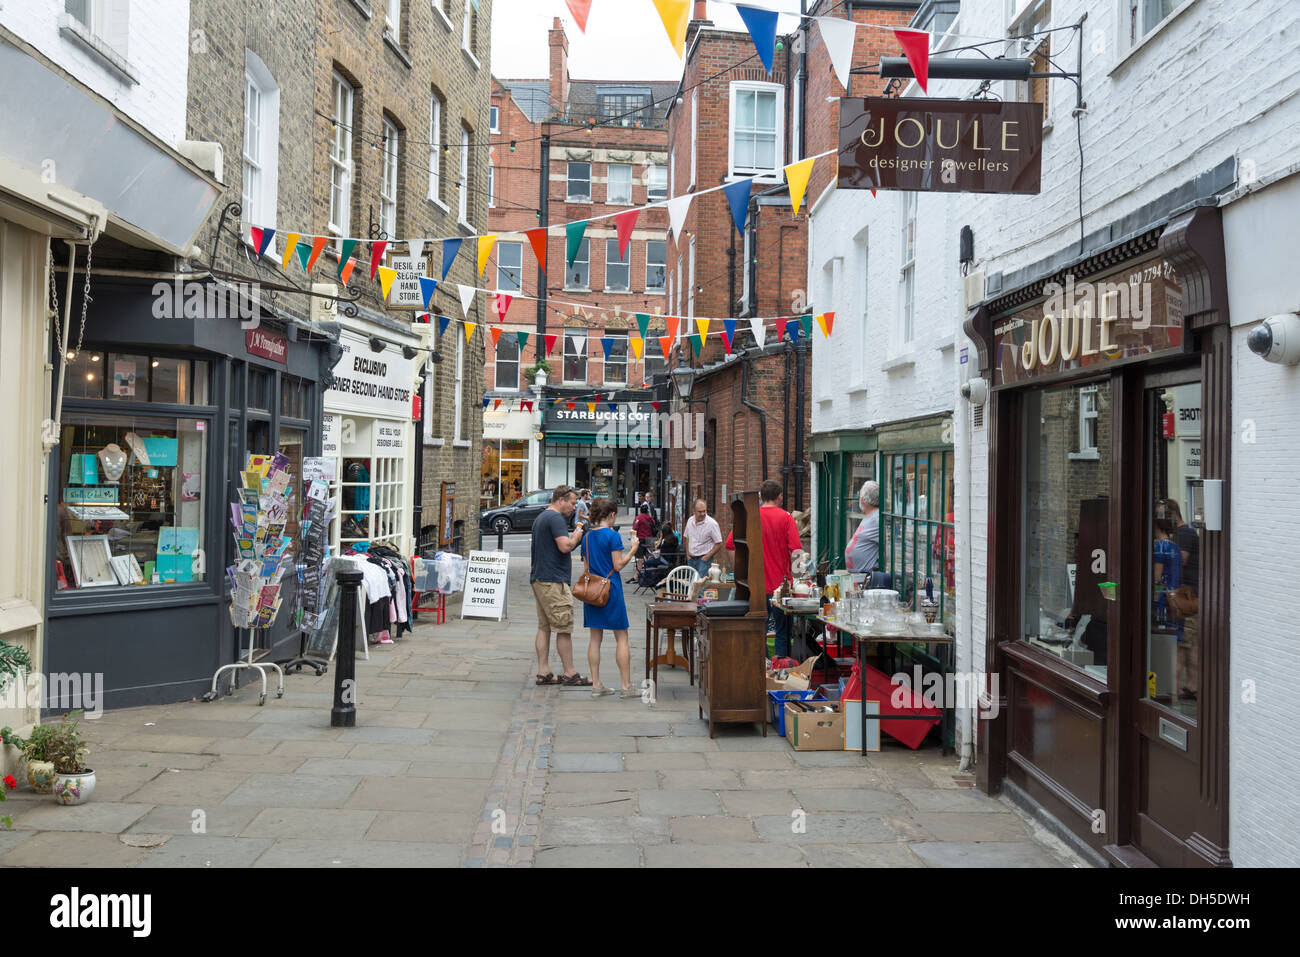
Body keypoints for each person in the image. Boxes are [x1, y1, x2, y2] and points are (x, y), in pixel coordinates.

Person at [725, 480, 803, 657]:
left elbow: (730, 545)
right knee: (783, 632)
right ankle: (779, 667)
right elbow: (797, 550)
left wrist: (740, 570)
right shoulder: (786, 518)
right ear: (779, 497)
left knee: (759, 630)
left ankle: (762, 668)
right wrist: (798, 580)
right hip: (781, 587)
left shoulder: (749, 517)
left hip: (755, 585)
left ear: (761, 497)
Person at [530, 485, 591, 687]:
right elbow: (565, 546)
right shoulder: (556, 518)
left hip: (540, 578)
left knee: (544, 626)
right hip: (553, 580)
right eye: (572, 503)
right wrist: (577, 536)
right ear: (561, 500)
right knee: (563, 627)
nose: (574, 507)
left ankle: (544, 672)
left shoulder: (542, 517)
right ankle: (570, 673)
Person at [579, 498, 641, 698]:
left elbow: (586, 566)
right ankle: (626, 687)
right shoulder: (612, 536)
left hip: (593, 590)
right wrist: (633, 548)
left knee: (595, 638)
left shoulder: (587, 537)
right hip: (611, 590)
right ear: (612, 515)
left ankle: (596, 685)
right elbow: (619, 564)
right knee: (621, 636)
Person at [845, 480, 880, 574]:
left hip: (868, 576)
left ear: (863, 499)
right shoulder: (871, 516)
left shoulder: (877, 518)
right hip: (860, 575)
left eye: (860, 496)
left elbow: (887, 544)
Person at [682, 499, 723, 579]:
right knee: (692, 586)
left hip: (704, 560)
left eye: (704, 511)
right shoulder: (690, 521)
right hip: (691, 559)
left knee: (702, 588)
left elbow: (718, 544)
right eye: (700, 511)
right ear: (693, 511)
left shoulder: (712, 524)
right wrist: (688, 555)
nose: (703, 513)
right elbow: (687, 538)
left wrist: (706, 557)